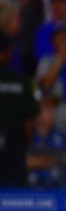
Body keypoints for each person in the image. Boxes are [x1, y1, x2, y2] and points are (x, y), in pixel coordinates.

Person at [0, 33, 38, 186]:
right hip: (14, 152)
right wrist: (23, 145)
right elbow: (29, 121)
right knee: (17, 201)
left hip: (13, 151)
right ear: (8, 51)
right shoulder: (20, 81)